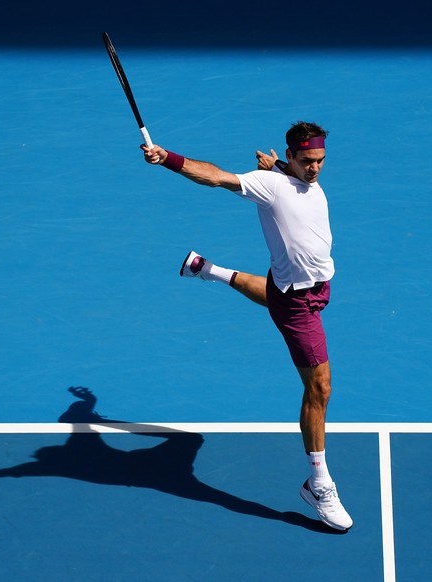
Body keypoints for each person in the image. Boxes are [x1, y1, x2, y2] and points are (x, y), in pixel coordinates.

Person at [141, 121, 353, 531]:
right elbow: (216, 177)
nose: (315, 170)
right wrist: (167, 158)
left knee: (273, 292)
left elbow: (289, 178)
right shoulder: (269, 185)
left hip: (305, 288)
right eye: (307, 162)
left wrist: (278, 165)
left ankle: (208, 270)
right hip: (298, 305)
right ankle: (319, 483)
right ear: (293, 156)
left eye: (321, 162)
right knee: (320, 388)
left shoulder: (286, 175)